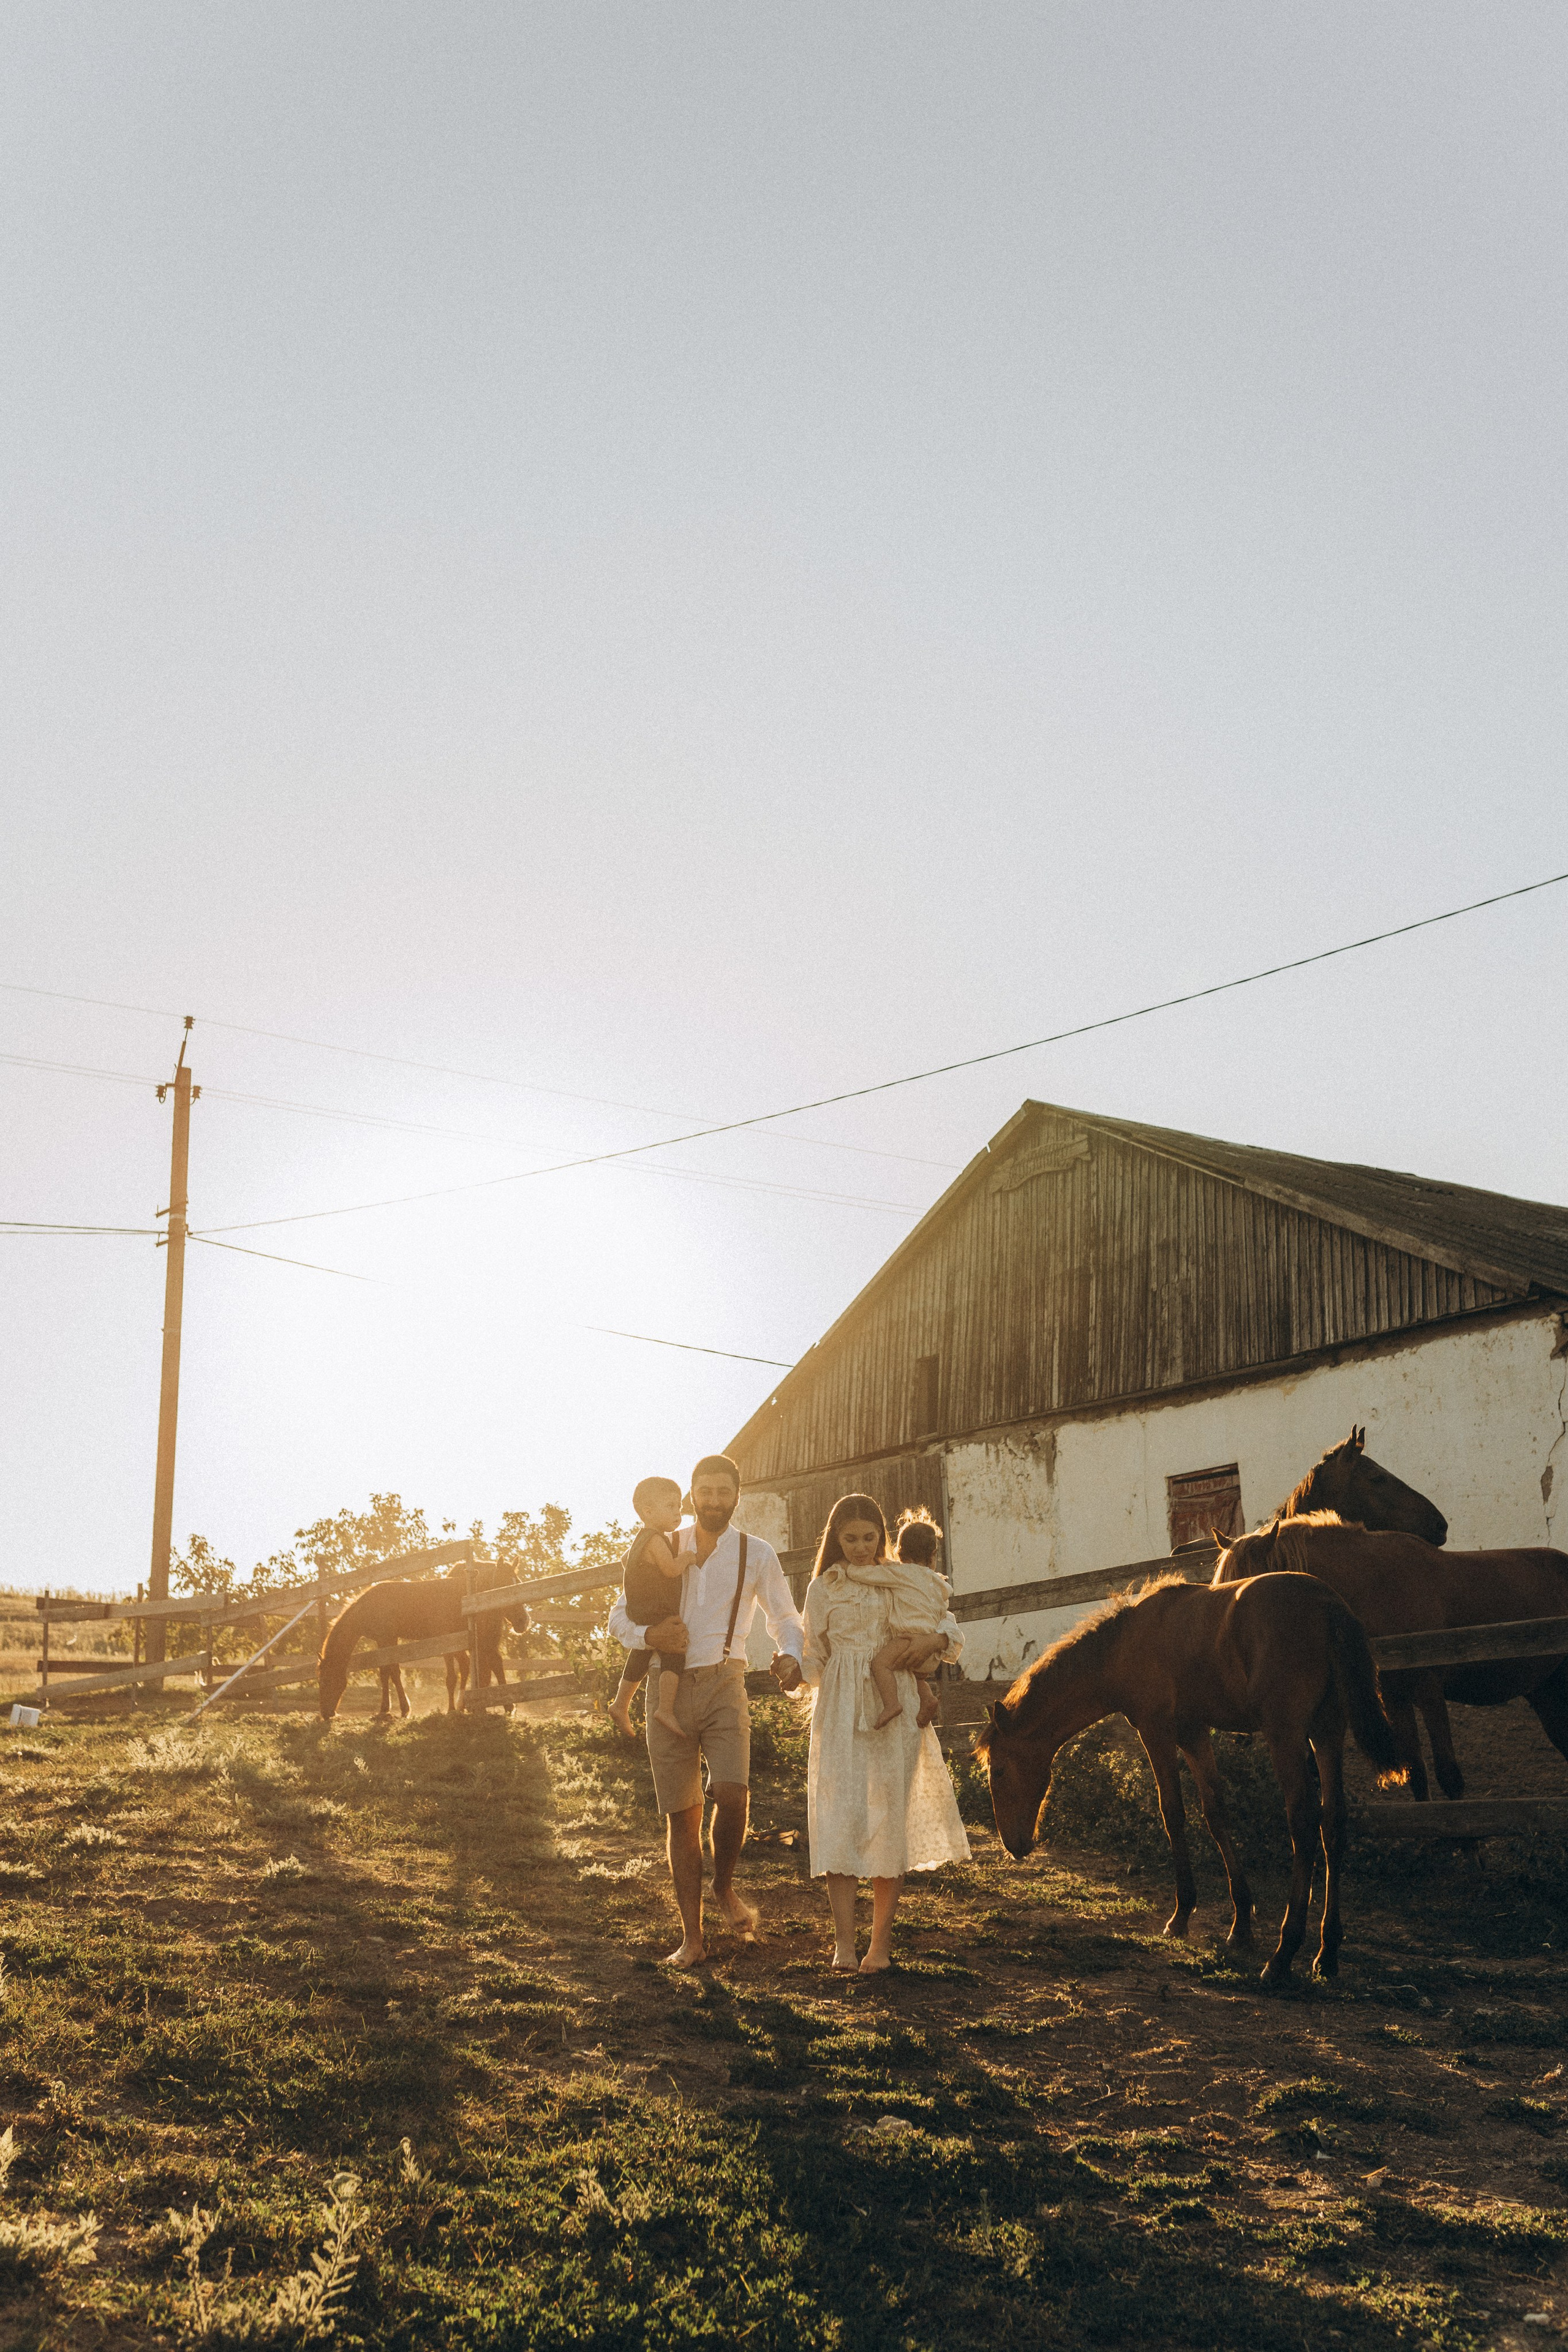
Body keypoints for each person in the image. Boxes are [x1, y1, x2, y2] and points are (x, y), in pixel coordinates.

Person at [608, 1452, 804, 1969]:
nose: (714, 1501)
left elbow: (785, 1615)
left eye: (724, 1492)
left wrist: (791, 1654)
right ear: (692, 1495)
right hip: (665, 1685)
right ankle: (692, 1939)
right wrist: (648, 1634)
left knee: (734, 1793)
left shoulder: (755, 1553)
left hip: (725, 1681)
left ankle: (724, 1886)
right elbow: (618, 1615)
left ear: (737, 1496)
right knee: (682, 1817)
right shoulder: (662, 1542)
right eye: (706, 1492)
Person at [803, 1493, 970, 1973]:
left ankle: (879, 1945)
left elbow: (947, 1629)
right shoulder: (823, 1587)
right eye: (850, 1538)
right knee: (840, 1815)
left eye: (869, 1537)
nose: (859, 1547)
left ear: (883, 1538)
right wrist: (793, 1669)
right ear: (835, 1538)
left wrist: (935, 1641)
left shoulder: (896, 1581)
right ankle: (843, 1944)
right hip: (839, 1709)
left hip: (894, 1707)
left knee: (888, 1819)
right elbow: (815, 1656)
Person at [608, 1477, 688, 1740]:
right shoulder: (655, 1539)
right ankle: (665, 1709)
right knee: (674, 1647)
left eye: (678, 1506)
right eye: (670, 1506)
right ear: (649, 1512)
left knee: (642, 1650)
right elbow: (671, 1569)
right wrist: (688, 1558)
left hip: (640, 1608)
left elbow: (625, 1561)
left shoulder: (640, 1540)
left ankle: (620, 1704)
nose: (678, 1513)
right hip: (656, 1607)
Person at [865, 1507, 952, 1732]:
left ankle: (892, 1704)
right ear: (933, 1556)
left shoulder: (901, 1574)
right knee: (915, 1675)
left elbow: (866, 1574)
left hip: (909, 1642)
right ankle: (928, 1699)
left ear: (900, 1554)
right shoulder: (938, 1583)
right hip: (931, 1654)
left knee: (880, 1664)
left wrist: (846, 1570)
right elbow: (945, 1615)